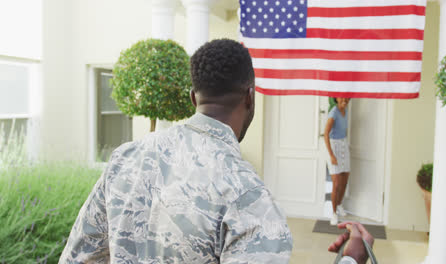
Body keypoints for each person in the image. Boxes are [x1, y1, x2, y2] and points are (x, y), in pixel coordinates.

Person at [59, 39, 371, 263]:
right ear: (250, 97)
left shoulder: (125, 159)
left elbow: (78, 257)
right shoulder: (247, 195)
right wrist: (353, 259)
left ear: (193, 98)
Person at [324, 97, 351, 225]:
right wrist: (332, 155)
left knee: (345, 178)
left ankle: (339, 205)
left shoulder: (345, 111)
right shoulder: (334, 112)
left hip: (343, 145)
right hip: (334, 146)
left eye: (347, 98)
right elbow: (326, 134)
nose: (345, 100)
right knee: (336, 182)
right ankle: (334, 213)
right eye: (342, 98)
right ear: (337, 98)